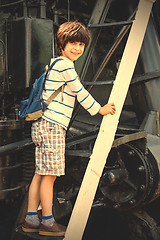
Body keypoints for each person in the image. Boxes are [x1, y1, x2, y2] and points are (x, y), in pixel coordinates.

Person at [22, 21, 116, 237]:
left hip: (43, 124)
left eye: (81, 44)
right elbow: (80, 91)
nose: (77, 48)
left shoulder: (55, 64)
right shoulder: (65, 65)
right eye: (73, 42)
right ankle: (47, 221)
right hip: (53, 125)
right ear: (61, 44)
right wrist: (99, 109)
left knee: (40, 173)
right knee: (50, 176)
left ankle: (30, 219)